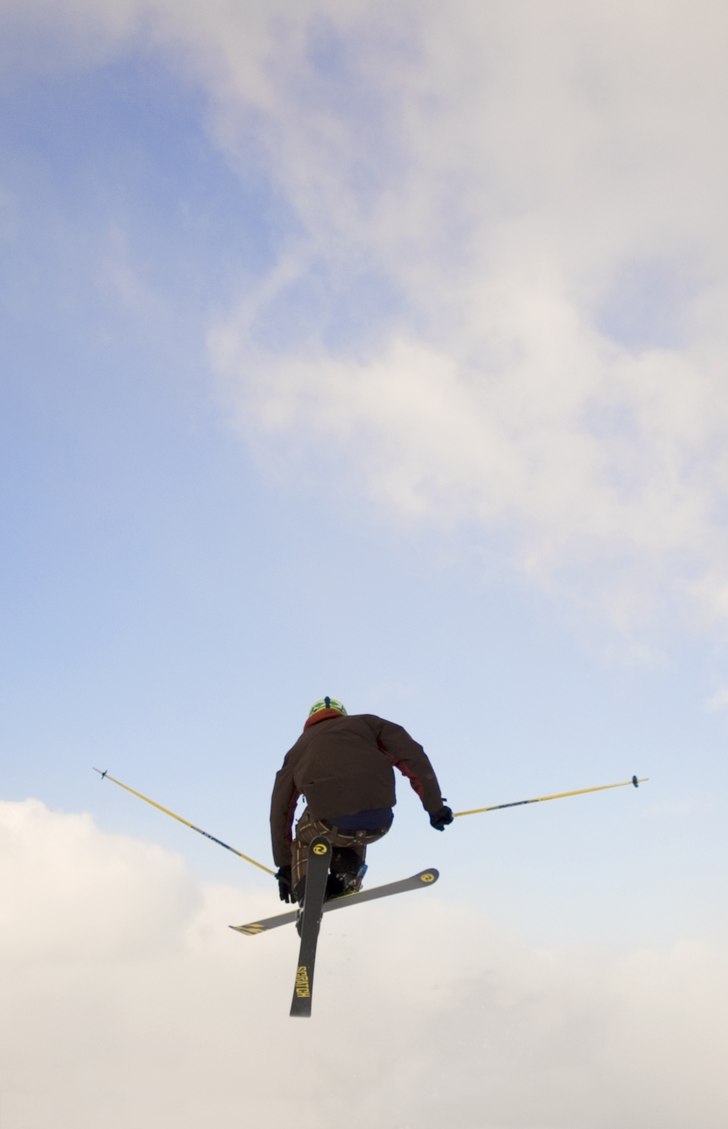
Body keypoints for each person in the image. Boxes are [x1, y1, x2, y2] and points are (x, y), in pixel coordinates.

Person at [270, 696, 453, 905]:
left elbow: (281, 808)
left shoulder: (299, 748)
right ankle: (346, 877)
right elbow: (413, 757)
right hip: (379, 823)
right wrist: (435, 807)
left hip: (329, 825)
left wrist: (285, 865)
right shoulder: (368, 725)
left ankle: (305, 891)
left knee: (306, 834)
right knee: (354, 818)